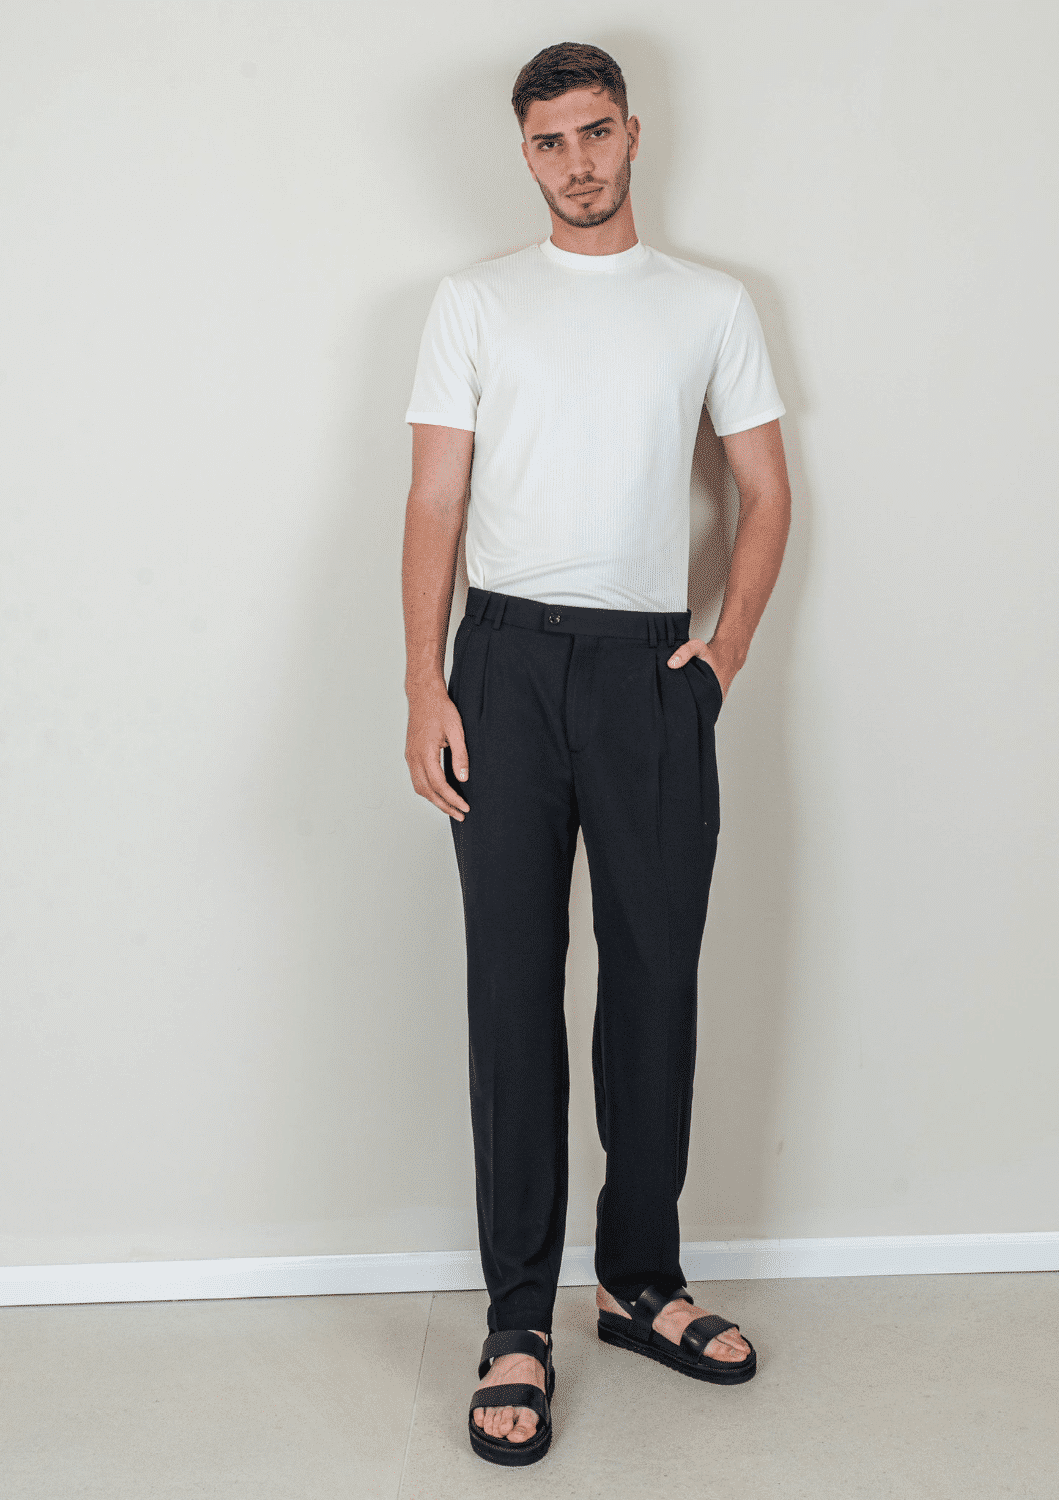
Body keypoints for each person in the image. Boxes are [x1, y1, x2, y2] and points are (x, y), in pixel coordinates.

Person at [401, 41, 792, 1467]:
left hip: (649, 675)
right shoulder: (475, 301)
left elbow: (764, 490)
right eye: (551, 140)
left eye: (596, 131)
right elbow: (434, 501)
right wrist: (423, 683)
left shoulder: (710, 303)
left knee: (654, 987)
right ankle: (517, 1323)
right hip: (501, 668)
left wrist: (723, 652)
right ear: (526, 154)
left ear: (634, 132)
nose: (577, 161)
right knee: (511, 994)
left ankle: (642, 1281)